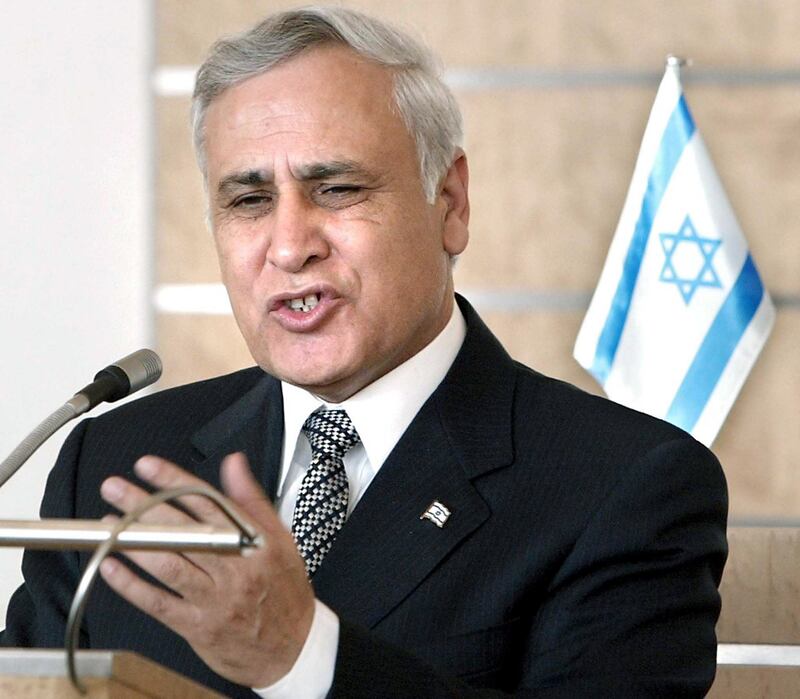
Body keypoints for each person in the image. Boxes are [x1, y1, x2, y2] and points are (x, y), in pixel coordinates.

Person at [1, 7, 727, 697]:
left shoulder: (627, 486)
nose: (289, 246)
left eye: (338, 188)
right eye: (248, 201)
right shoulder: (111, 464)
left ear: (450, 203)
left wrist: (302, 656)